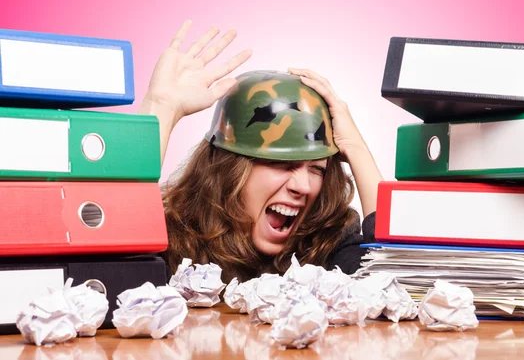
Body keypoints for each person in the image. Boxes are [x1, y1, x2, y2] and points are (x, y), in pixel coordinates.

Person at [138, 20, 382, 282]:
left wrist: (357, 149)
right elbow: (117, 266)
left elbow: (401, 282)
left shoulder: (329, 242)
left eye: (316, 169)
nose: (303, 186)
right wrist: (161, 109)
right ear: (229, 168)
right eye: (282, 164)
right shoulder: (172, 238)